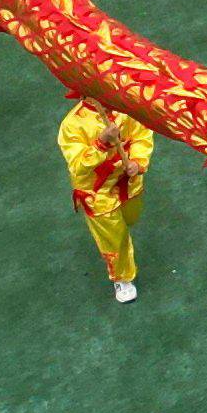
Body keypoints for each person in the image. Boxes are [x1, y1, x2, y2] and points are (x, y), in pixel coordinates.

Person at [57, 94, 152, 302]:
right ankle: (122, 277)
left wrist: (137, 162)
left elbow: (141, 136)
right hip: (96, 193)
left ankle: (120, 245)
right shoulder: (72, 125)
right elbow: (78, 166)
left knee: (131, 218)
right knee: (114, 237)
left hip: (128, 183)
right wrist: (101, 143)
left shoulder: (126, 109)